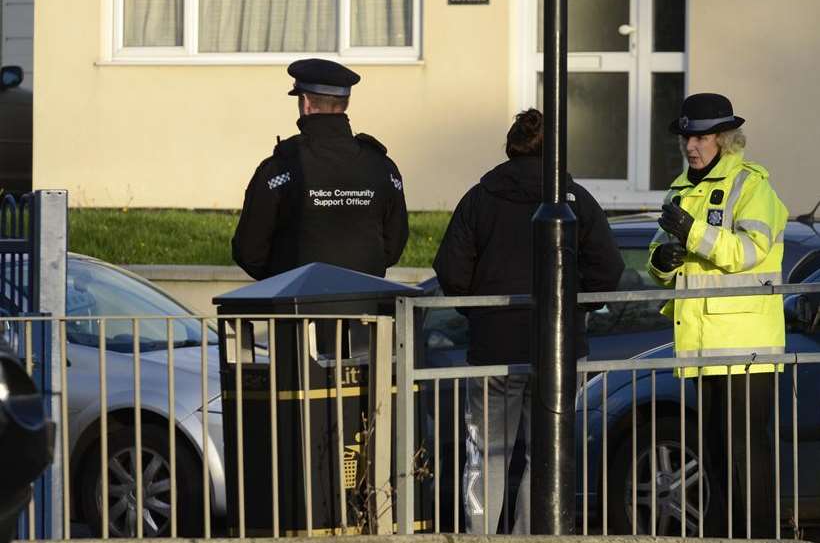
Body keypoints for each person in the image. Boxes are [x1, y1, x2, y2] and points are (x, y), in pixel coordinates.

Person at [433, 109, 624, 534]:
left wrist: (480, 312)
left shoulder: (481, 198)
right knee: (547, 453)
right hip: (557, 349)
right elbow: (607, 270)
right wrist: (575, 309)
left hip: (494, 348)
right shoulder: (574, 199)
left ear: (510, 146)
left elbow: (451, 269)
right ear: (554, 152)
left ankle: (482, 535)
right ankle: (530, 535)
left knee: (486, 454)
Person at [647, 93, 788, 538]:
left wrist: (692, 233)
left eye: (702, 136)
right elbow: (655, 259)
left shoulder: (752, 186)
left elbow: (749, 251)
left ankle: (759, 536)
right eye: (687, 136)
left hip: (746, 346)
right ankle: (727, 535)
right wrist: (664, 261)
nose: (691, 145)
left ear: (725, 139)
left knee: (747, 453)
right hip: (703, 345)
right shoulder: (679, 189)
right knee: (715, 453)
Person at [232, 58, 409, 280]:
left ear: (305, 102)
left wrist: (283, 279)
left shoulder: (279, 170)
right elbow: (394, 244)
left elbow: (249, 251)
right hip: (365, 308)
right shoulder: (382, 167)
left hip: (294, 310)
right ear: (345, 102)